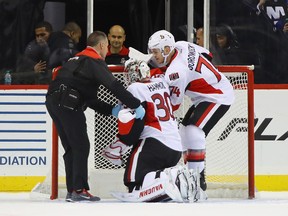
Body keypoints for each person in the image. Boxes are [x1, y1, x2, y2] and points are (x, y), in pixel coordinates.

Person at [45, 31, 145, 202]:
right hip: (68, 102)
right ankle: (78, 190)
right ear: (101, 46)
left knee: (71, 146)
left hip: (54, 101)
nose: (107, 51)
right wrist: (136, 105)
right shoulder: (94, 60)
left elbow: (90, 99)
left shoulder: (75, 60)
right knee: (81, 145)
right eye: (106, 46)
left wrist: (113, 110)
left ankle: (72, 190)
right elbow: (113, 86)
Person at [147, 30, 235, 197]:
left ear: (167, 50)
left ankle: (198, 183)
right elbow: (207, 54)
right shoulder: (181, 45)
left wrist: (158, 79)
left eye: (155, 52)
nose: (153, 56)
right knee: (185, 131)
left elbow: (172, 105)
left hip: (218, 95)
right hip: (206, 94)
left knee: (193, 132)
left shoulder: (176, 72)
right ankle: (192, 178)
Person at [102, 60, 200, 202]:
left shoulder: (134, 88)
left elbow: (135, 126)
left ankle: (174, 176)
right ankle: (171, 179)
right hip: (176, 146)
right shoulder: (161, 82)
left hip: (155, 142)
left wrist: (122, 143)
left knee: (132, 180)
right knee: (146, 180)